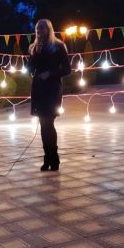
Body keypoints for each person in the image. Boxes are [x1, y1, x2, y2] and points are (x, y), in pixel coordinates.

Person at [27, 19, 71, 171]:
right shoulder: (34, 47)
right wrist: (32, 57)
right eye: (37, 28)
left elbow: (67, 69)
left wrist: (50, 73)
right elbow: (30, 68)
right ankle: (47, 159)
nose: (39, 31)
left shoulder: (58, 46)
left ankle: (54, 160)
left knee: (49, 123)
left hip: (52, 88)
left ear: (49, 29)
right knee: (42, 124)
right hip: (39, 88)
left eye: (42, 28)